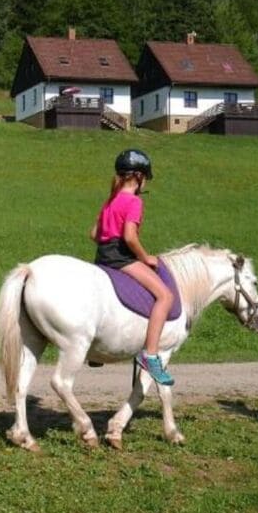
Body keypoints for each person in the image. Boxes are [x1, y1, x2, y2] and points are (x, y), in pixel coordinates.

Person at [90, 148, 176, 386]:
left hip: (102, 257)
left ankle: (96, 353)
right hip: (121, 257)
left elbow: (94, 234)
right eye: (145, 177)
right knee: (165, 296)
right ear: (138, 176)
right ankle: (150, 356)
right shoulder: (134, 201)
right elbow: (129, 236)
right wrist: (145, 257)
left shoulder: (110, 200)